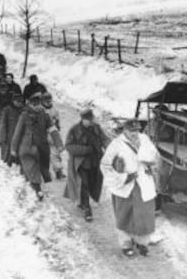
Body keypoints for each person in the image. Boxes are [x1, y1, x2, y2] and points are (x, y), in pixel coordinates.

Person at [100, 119, 160, 257]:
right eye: (131, 131)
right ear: (125, 131)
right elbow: (105, 165)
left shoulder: (144, 139)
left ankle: (141, 242)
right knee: (124, 215)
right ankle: (126, 243)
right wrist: (122, 178)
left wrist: (148, 159)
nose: (135, 134)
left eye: (137, 130)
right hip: (125, 185)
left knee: (144, 215)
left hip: (143, 183)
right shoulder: (116, 144)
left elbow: (156, 156)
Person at [64, 109, 110, 222]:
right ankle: (87, 209)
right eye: (88, 120)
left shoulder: (96, 128)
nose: (90, 122)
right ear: (83, 119)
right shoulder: (74, 130)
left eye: (91, 119)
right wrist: (85, 150)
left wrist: (111, 147)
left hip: (95, 161)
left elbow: (105, 139)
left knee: (92, 184)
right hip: (81, 163)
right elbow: (69, 146)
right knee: (83, 184)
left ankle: (83, 202)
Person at [10, 92, 56, 201]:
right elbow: (53, 130)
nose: (37, 107)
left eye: (38, 104)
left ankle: (36, 187)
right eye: (35, 104)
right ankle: (37, 188)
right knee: (35, 167)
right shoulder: (41, 115)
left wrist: (13, 149)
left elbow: (17, 133)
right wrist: (59, 144)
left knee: (32, 168)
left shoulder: (29, 115)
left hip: (30, 148)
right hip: (35, 148)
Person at [42, 92, 66, 179]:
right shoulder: (41, 110)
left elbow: (57, 122)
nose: (48, 102)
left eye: (49, 100)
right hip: (43, 134)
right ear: (42, 101)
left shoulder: (54, 110)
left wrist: (57, 127)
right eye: (46, 100)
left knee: (56, 152)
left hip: (52, 133)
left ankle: (58, 172)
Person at [0, 93, 25, 166]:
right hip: (10, 134)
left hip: (21, 133)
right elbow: (3, 124)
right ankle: (9, 163)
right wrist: (3, 136)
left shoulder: (24, 109)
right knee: (9, 149)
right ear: (13, 101)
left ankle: (19, 161)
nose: (19, 103)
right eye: (17, 101)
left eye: (21, 102)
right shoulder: (7, 110)